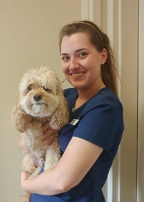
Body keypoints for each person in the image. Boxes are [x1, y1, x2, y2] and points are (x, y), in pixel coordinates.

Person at [19, 20, 124, 202]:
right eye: (66, 57)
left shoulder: (105, 108)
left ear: (102, 56)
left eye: (81, 54)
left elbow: (63, 181)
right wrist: (32, 140)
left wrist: (26, 185)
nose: (72, 65)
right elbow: (23, 141)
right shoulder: (63, 97)